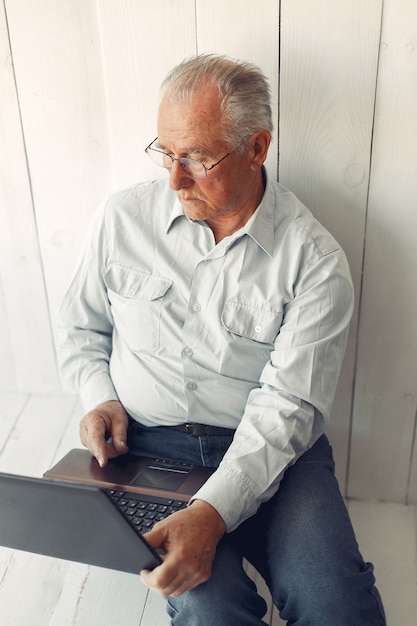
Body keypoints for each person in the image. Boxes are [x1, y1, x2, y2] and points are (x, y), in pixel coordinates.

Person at [57, 54, 386, 625]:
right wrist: (98, 397)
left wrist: (213, 511)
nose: (174, 179)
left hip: (277, 455)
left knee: (335, 600)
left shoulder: (316, 264)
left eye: (196, 158)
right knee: (212, 612)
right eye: (165, 151)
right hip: (148, 448)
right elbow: (81, 325)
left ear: (257, 148)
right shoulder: (121, 219)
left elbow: (288, 409)